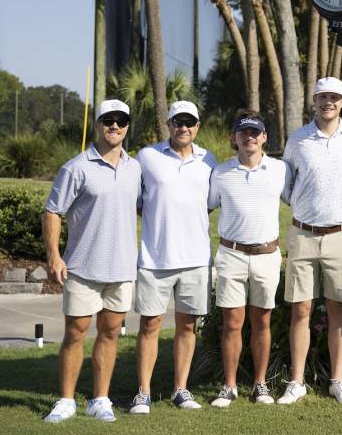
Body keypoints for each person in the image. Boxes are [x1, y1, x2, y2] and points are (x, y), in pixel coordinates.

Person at [43, 99, 141, 423]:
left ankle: (100, 399)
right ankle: (67, 400)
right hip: (83, 267)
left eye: (121, 120)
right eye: (108, 120)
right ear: (97, 124)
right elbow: (53, 210)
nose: (115, 126)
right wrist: (54, 255)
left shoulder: (134, 167)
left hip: (122, 268)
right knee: (76, 332)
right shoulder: (76, 167)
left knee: (110, 332)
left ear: (127, 126)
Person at [278, 77, 342, 406]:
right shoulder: (298, 139)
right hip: (303, 233)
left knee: (337, 309)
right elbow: (287, 185)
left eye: (334, 97)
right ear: (313, 100)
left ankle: (337, 381)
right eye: (322, 96)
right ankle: (297, 381)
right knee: (300, 310)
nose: (328, 102)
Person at [128, 101, 217, 413]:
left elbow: (207, 204)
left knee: (187, 326)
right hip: (155, 259)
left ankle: (181, 389)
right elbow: (138, 202)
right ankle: (143, 392)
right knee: (150, 324)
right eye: (178, 122)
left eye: (189, 122)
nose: (184, 127)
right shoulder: (147, 157)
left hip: (195, 259)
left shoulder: (209, 160)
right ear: (168, 124)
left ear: (197, 126)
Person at [207, 110, 292, 408]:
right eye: (244, 132)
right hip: (231, 254)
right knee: (231, 323)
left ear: (265, 137)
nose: (250, 137)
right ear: (234, 138)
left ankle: (260, 384)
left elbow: (297, 200)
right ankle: (229, 386)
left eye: (255, 132)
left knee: (262, 321)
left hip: (267, 255)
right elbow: (204, 208)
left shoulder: (280, 169)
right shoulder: (220, 172)